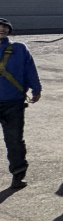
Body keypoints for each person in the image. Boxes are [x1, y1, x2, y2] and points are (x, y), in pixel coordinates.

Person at [0, 17, 41, 190]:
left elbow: (30, 69)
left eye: (4, 27)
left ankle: (18, 174)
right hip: (12, 101)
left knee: (14, 140)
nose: (1, 29)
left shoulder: (19, 48)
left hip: (13, 102)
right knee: (15, 140)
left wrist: (36, 88)